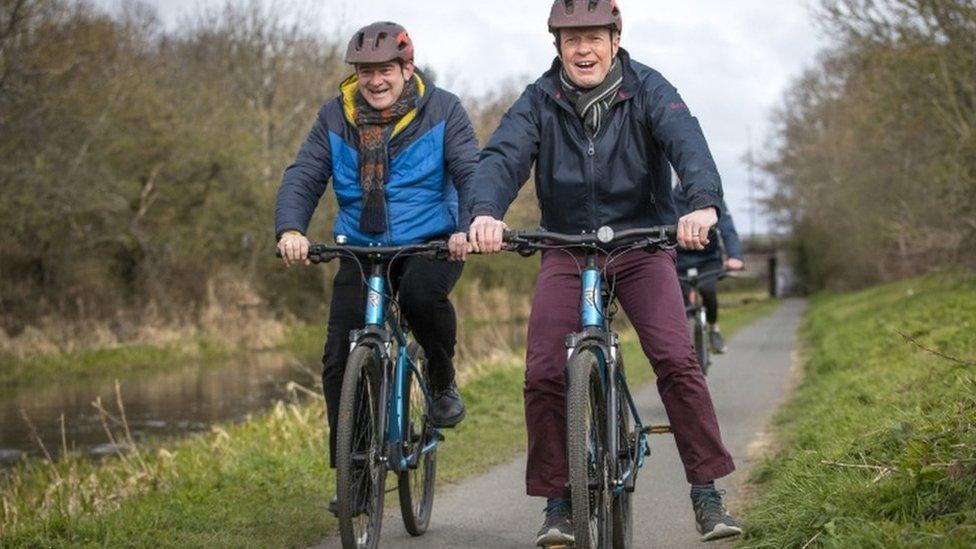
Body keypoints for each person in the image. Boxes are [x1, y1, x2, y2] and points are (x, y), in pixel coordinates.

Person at [464, 1, 742, 544]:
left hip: (642, 244)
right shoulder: (539, 99)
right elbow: (502, 156)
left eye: (592, 37)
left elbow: (687, 142)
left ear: (616, 38)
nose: (582, 49)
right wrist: (484, 211)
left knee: (676, 358)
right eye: (571, 40)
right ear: (557, 47)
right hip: (567, 249)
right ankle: (558, 502)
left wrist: (702, 204)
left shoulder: (649, 89)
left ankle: (707, 492)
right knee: (544, 369)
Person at [274, 21, 478, 514]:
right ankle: (355, 474)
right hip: (360, 248)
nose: (375, 80)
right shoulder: (335, 116)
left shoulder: (444, 109)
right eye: (365, 71)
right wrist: (290, 229)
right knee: (338, 359)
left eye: (385, 69)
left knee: (422, 299)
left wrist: (468, 226)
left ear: (407, 68)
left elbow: (471, 170)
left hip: (430, 242)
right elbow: (304, 174)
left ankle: (442, 378)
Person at [672, 181, 745, 354]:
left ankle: (713, 329)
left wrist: (735, 256)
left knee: (708, 290)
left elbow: (727, 228)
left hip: (708, 259)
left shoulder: (712, 199)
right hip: (680, 261)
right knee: (680, 302)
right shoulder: (669, 198)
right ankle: (685, 343)